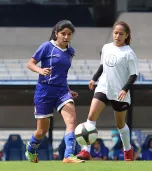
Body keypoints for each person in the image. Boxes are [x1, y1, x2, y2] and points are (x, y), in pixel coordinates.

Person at [76, 21, 138, 161]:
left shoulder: (129, 53)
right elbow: (103, 65)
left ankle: (128, 150)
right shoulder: (106, 47)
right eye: (115, 33)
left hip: (119, 92)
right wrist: (94, 79)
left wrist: (124, 89)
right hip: (103, 87)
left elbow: (134, 75)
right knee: (91, 116)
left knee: (120, 124)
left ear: (126, 35)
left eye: (121, 34)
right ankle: (86, 151)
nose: (117, 36)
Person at [26, 20, 84, 163]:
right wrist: (40, 70)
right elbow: (30, 63)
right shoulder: (47, 46)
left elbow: (62, 74)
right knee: (42, 132)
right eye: (63, 33)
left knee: (71, 120)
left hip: (62, 91)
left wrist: (69, 90)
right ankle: (31, 149)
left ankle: (68, 156)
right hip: (44, 90)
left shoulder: (70, 51)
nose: (66, 37)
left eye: (69, 34)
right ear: (56, 34)